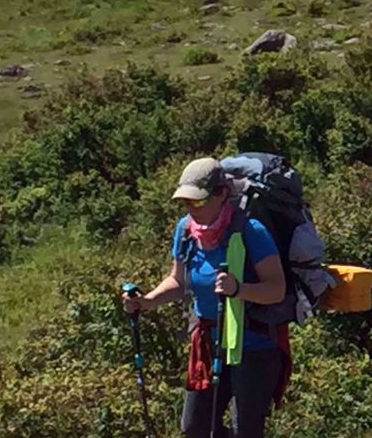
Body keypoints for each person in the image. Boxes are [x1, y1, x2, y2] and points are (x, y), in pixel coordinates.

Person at [121, 158, 288, 438]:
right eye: (186, 202)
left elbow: (276, 289)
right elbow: (178, 280)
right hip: (208, 345)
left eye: (198, 202)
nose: (191, 209)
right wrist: (147, 301)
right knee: (195, 426)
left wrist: (239, 289)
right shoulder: (185, 231)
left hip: (255, 347)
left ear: (222, 194)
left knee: (246, 430)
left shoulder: (251, 231)